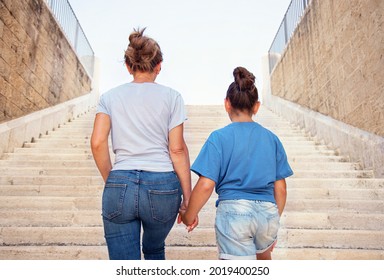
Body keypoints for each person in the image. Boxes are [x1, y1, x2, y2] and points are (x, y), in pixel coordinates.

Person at [91, 28, 192, 260]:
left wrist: (114, 180)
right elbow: (176, 149)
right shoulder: (173, 97)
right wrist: (187, 199)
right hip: (163, 185)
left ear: (128, 66)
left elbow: (97, 143)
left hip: (120, 180)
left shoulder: (109, 97)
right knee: (155, 247)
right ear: (159, 65)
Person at [181, 66, 293, 260]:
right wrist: (272, 220)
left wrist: (189, 215)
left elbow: (206, 184)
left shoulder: (219, 138)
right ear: (256, 106)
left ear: (227, 104)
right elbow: (281, 189)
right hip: (267, 213)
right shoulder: (271, 139)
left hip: (234, 213)